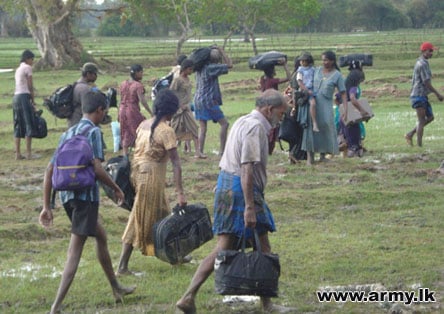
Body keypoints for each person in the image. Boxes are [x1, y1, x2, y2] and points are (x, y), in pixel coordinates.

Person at [176, 89, 294, 314]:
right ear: (269, 110)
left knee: (224, 245)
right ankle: (267, 304)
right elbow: (246, 169)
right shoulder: (255, 127)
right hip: (242, 190)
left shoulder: (243, 120)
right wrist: (249, 207)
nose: (282, 116)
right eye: (281, 112)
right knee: (263, 245)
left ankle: (188, 296)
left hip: (227, 185)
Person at [38, 90, 136, 314]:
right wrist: (117, 188)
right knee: (75, 251)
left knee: (100, 236)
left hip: (67, 198)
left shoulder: (69, 132)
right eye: (104, 112)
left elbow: (49, 170)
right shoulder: (93, 133)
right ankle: (56, 306)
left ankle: (116, 288)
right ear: (100, 111)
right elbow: (98, 169)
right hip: (85, 199)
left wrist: (47, 205)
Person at [116, 89, 188, 275]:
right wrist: (180, 192)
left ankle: (176, 254)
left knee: (164, 213)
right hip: (151, 177)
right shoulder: (166, 130)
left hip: (138, 173)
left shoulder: (144, 124)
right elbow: (176, 164)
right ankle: (122, 266)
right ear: (171, 110)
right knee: (138, 218)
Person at [301, 50, 348, 166]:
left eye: (326, 60)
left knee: (325, 126)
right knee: (311, 127)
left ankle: (322, 155)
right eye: (323, 60)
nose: (324, 62)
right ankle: (309, 158)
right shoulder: (316, 70)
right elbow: (304, 77)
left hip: (326, 105)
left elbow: (343, 93)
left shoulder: (337, 75)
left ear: (332, 61)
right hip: (312, 103)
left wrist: (345, 109)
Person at [194, 46, 232, 157]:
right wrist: (222, 51)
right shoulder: (211, 68)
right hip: (208, 100)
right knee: (224, 124)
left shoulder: (199, 69)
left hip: (198, 100)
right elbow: (230, 65)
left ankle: (199, 151)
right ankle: (222, 151)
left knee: (203, 127)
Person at [405, 41, 443, 147]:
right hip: (418, 95)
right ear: (423, 51)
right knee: (421, 120)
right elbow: (426, 82)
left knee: (430, 117)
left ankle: (410, 133)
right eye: (429, 51)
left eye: (432, 51)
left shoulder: (424, 62)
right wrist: (438, 94)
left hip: (422, 95)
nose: (431, 53)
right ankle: (419, 145)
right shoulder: (422, 64)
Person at [169, 59, 206, 158]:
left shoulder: (188, 80)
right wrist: (178, 105)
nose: (191, 71)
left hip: (187, 109)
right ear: (184, 69)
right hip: (179, 110)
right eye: (190, 69)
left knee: (194, 128)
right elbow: (171, 93)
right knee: (174, 130)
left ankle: (198, 152)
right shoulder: (177, 80)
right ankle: (168, 150)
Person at [118, 64, 153, 155]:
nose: (142, 74)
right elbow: (143, 101)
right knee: (139, 128)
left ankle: (125, 154)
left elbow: (121, 99)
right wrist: (151, 112)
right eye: (141, 72)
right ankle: (140, 150)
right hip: (132, 110)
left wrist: (119, 112)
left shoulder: (123, 84)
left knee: (125, 130)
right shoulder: (138, 85)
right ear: (137, 73)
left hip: (122, 110)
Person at [339, 60, 370, 157]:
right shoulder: (354, 87)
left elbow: (336, 98)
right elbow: (353, 98)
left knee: (346, 135)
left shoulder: (345, 85)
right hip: (351, 117)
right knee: (354, 138)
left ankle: (349, 149)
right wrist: (362, 111)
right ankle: (354, 151)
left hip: (343, 115)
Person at [13, 49, 38, 160]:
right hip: (24, 97)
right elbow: (30, 86)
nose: (33, 61)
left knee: (18, 124)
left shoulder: (18, 69)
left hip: (16, 97)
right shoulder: (27, 68)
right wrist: (33, 99)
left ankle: (18, 153)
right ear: (28, 59)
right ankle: (28, 154)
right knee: (29, 123)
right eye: (32, 59)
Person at [68, 62, 100, 128]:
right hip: (82, 126)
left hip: (73, 123)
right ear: (88, 74)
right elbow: (89, 110)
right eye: (95, 74)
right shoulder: (85, 89)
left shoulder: (76, 85)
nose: (96, 77)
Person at [297, 52, 319, 132]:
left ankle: (314, 123)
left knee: (314, 104)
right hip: (304, 91)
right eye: (301, 61)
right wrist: (306, 90)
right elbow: (300, 82)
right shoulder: (300, 70)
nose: (302, 62)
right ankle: (312, 122)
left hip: (312, 90)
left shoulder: (313, 69)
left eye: (304, 61)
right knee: (312, 103)